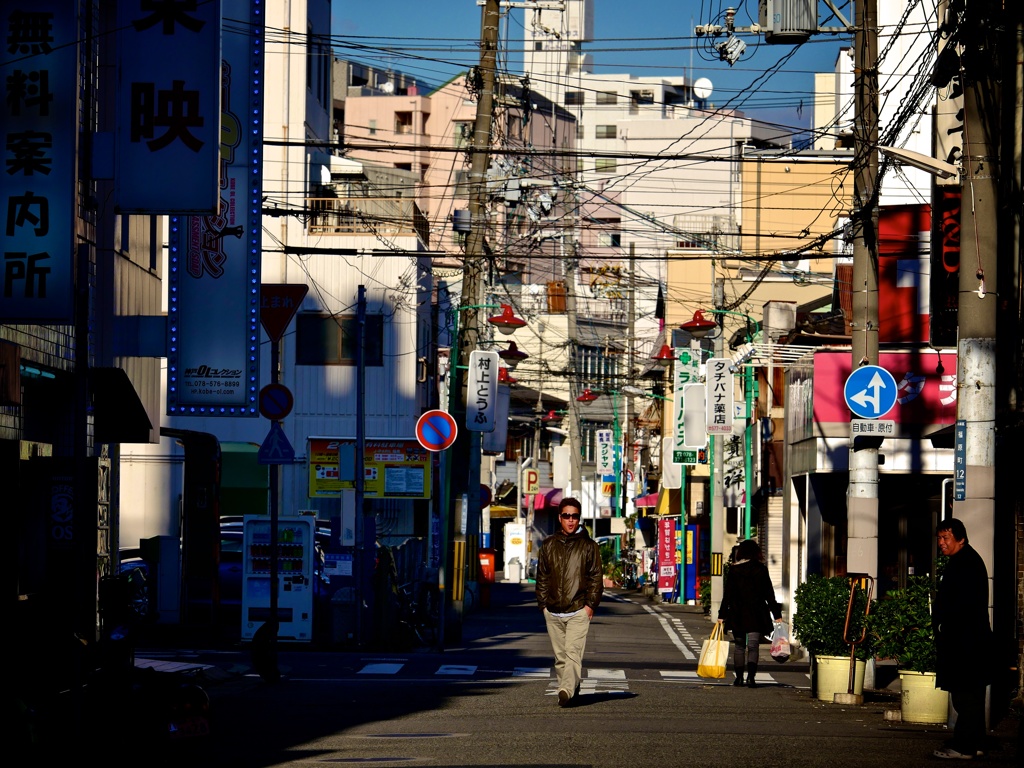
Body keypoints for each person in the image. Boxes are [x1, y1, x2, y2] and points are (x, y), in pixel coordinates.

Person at [932, 518, 994, 760]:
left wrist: (943, 626)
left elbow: (959, 606)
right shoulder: (967, 560)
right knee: (972, 694)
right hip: (970, 640)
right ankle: (976, 742)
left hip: (964, 643)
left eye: (946, 538)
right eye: (939, 538)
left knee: (964, 694)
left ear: (961, 539)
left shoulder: (964, 564)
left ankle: (964, 746)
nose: (941, 543)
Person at [535, 497, 604, 707]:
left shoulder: (589, 546)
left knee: (573, 654)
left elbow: (596, 578)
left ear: (579, 518)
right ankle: (572, 689)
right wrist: (543, 605)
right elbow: (542, 577)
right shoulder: (548, 545)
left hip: (578, 610)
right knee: (561, 658)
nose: (571, 520)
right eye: (566, 516)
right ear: (560, 518)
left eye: (574, 516)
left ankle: (565, 690)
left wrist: (590, 605)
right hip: (553, 611)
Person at [717, 539, 782, 688]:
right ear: (756, 553)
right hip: (756, 613)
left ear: (741, 553)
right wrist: (776, 614)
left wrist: (722, 615)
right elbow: (769, 594)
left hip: (738, 613)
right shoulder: (761, 569)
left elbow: (728, 595)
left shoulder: (734, 570)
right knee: (753, 646)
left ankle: (738, 678)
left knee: (739, 646)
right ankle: (751, 678)